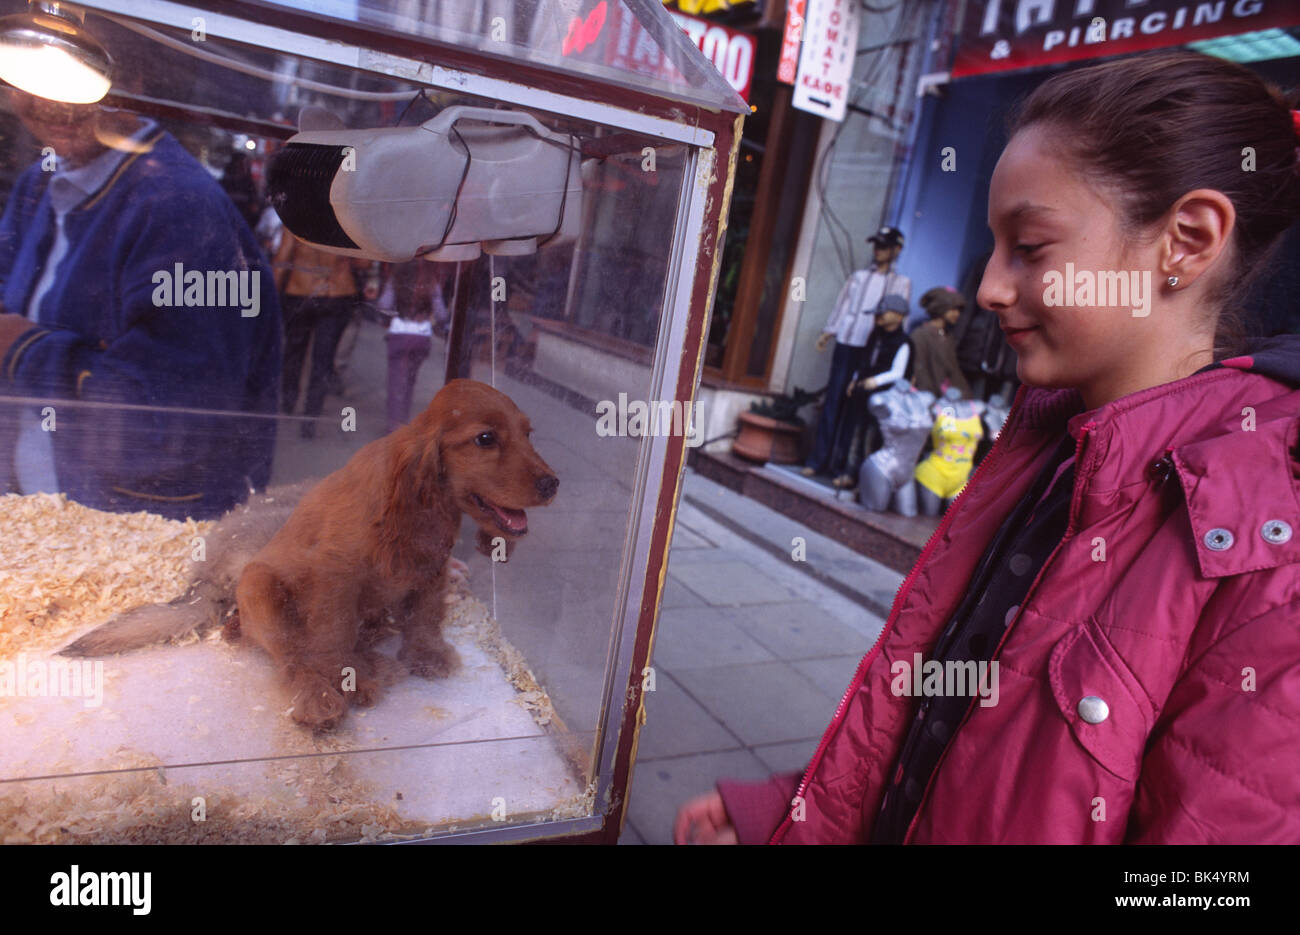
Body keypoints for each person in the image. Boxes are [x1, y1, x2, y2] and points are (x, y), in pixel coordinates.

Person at [675, 49, 1300, 844]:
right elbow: (944, 729)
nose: (990, 288)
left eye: (1031, 248)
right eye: (995, 246)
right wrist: (797, 809)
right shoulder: (1047, 452)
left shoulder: (1264, 547)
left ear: (1185, 239)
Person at [0, 93, 280, 521]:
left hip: (136, 541)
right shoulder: (39, 182)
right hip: (41, 522)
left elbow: (169, 427)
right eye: (26, 81)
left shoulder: (184, 212)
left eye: (73, 81)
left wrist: (24, 351)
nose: (50, 102)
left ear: (134, 77)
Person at [803, 226, 911, 480]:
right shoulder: (859, 277)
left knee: (856, 410)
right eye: (876, 246)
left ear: (897, 249)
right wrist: (829, 331)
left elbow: (900, 322)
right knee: (833, 401)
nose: (879, 251)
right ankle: (818, 460)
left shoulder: (901, 283)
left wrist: (897, 353)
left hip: (872, 350)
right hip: (847, 343)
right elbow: (843, 307)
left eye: (884, 246)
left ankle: (842, 466)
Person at [273, 229, 362, 438]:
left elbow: (283, 256)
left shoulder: (295, 218)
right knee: (323, 359)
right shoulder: (345, 221)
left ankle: (288, 402)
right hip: (337, 293)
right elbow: (364, 263)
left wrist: (271, 295)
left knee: (294, 351)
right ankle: (310, 420)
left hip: (300, 290)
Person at [826, 294, 913, 489]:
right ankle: (848, 472)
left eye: (884, 313)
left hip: (883, 399)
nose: (878, 317)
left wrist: (876, 381)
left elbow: (898, 373)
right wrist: (856, 379)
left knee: (871, 440)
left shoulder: (904, 342)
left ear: (899, 316)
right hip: (863, 395)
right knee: (855, 433)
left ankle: (866, 482)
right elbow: (865, 360)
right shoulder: (875, 335)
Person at [909, 286, 972, 398]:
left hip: (950, 396)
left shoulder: (948, 336)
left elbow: (953, 370)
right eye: (953, 309)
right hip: (930, 396)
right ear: (940, 308)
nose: (957, 314)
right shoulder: (920, 335)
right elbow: (920, 370)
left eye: (959, 310)